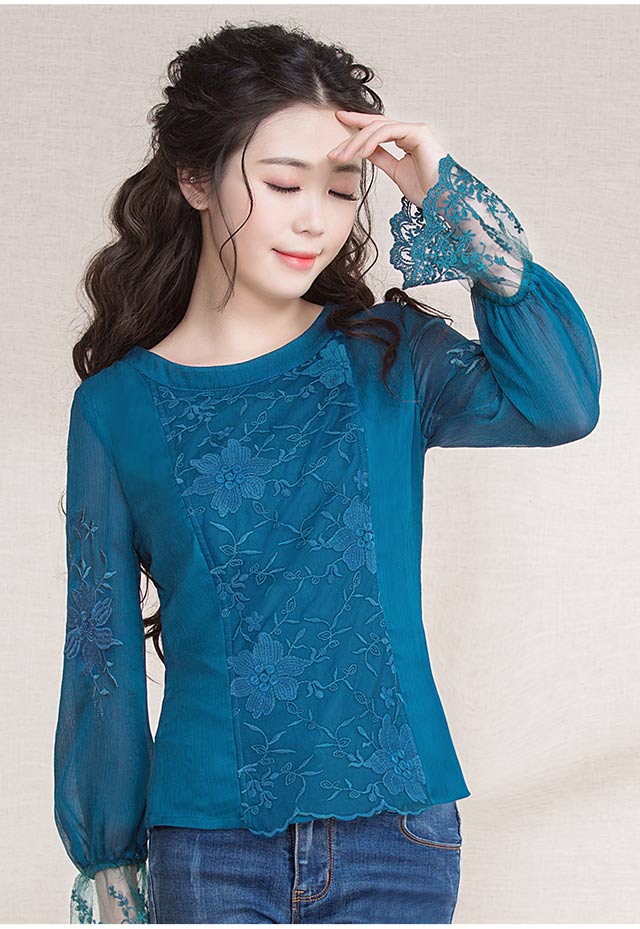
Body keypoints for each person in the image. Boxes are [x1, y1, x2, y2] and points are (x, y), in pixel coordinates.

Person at [53, 21, 601, 925]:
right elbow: (98, 647)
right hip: (208, 844)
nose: (316, 218)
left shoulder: (387, 354)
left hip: (401, 836)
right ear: (195, 178)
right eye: (282, 184)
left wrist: (444, 191)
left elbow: (561, 404)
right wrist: (109, 857)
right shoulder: (115, 408)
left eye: (344, 191)